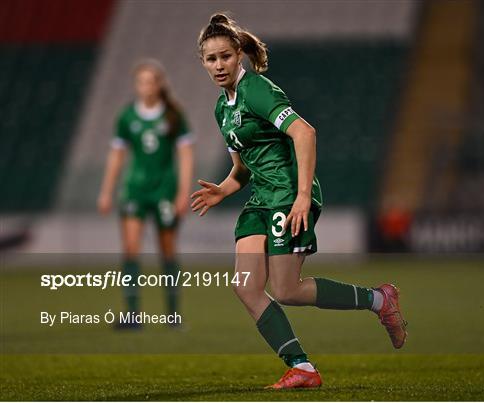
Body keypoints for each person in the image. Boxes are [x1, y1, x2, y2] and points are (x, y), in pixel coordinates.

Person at [191, 14, 407, 388]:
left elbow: (304, 133)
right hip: (261, 199)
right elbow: (241, 168)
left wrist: (303, 197)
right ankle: (302, 367)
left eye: (225, 56)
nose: (219, 65)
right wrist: (223, 189)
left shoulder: (257, 89)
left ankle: (379, 300)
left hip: (289, 196)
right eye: (211, 59)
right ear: (203, 62)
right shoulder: (221, 109)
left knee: (286, 290)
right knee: (245, 286)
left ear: (239, 54)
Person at [98, 59, 194, 327]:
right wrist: (107, 191)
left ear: (160, 84)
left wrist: (183, 192)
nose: (146, 86)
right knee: (130, 249)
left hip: (165, 189)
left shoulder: (174, 115)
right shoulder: (127, 116)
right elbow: (117, 156)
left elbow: (185, 155)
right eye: (141, 82)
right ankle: (132, 314)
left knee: (167, 251)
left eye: (151, 81)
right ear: (136, 85)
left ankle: (173, 314)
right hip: (135, 190)